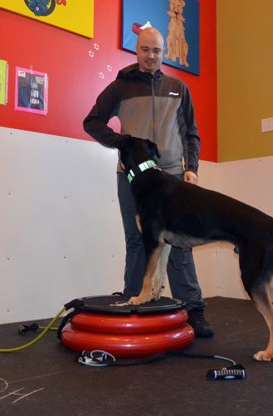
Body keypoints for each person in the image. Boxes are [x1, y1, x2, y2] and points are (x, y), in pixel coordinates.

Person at [83, 27, 213, 338]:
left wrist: (190, 168)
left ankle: (193, 309)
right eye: (145, 50)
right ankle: (132, 301)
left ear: (163, 52)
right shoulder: (120, 87)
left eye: (156, 51)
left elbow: (190, 133)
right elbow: (91, 121)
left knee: (179, 243)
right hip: (131, 178)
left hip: (170, 177)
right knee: (136, 240)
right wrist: (122, 142)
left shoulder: (178, 88)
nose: (150, 56)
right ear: (136, 50)